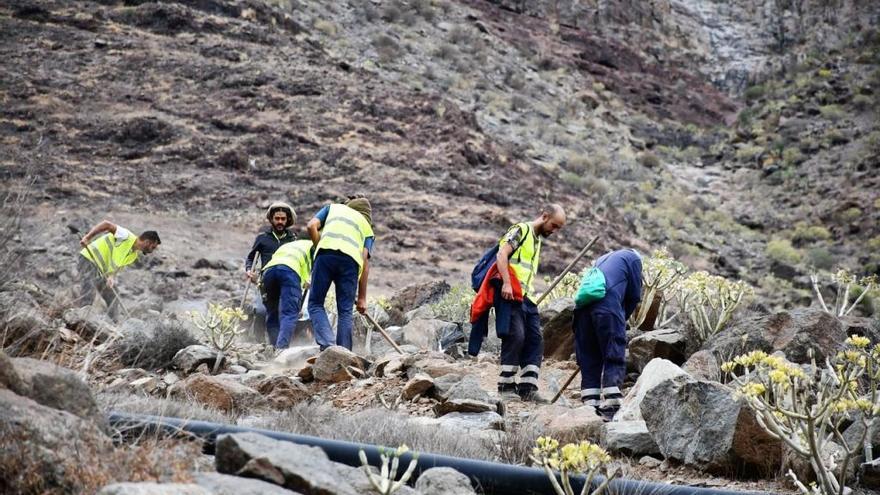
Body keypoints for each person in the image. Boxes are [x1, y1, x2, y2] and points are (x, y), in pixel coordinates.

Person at [475, 205, 566, 402]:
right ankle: (505, 386)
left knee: (535, 339)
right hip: (510, 293)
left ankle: (528, 388)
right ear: (544, 216)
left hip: (527, 297)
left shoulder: (537, 240)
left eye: (558, 228)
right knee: (516, 336)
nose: (554, 231)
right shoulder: (521, 230)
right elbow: (501, 254)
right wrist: (507, 283)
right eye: (554, 225)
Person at [573, 248, 642, 421]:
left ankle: (590, 404)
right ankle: (612, 404)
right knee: (613, 351)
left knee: (589, 354)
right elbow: (633, 295)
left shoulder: (602, 258)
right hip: (607, 308)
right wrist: (620, 319)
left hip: (581, 310)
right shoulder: (634, 259)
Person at [306, 197, 374, 351]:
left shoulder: (332, 208)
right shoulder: (367, 227)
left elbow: (311, 226)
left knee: (316, 304)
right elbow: (364, 262)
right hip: (351, 264)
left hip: (325, 256)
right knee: (345, 311)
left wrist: (320, 247)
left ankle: (328, 345)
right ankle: (344, 353)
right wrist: (362, 298)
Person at [75, 220, 161, 319]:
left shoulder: (133, 255)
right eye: (153, 247)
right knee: (89, 290)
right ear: (147, 242)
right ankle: (82, 318)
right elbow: (106, 224)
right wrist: (87, 237)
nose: (152, 250)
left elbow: (117, 266)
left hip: (101, 270)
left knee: (113, 296)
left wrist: (111, 276)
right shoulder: (125, 236)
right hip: (89, 259)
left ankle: (114, 324)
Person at [243, 202, 296, 341]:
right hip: (265, 281)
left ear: (287, 220)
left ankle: (277, 345)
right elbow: (251, 258)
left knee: (281, 313)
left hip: (286, 281)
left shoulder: (293, 239)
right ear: (271, 219)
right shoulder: (262, 238)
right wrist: (249, 270)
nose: (280, 222)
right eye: (277, 218)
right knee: (261, 311)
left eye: (283, 219)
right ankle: (259, 342)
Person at [261, 239, 313, 349]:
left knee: (272, 312)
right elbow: (312, 269)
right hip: (290, 271)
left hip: (268, 272)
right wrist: (305, 281)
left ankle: (273, 347)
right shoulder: (314, 245)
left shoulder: (287, 246)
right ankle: (281, 349)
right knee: (289, 313)